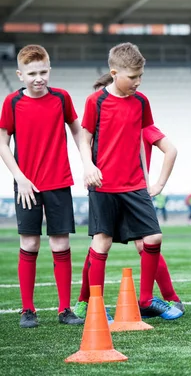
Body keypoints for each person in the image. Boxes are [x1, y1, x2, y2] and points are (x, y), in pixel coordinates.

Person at [76, 42, 182, 320]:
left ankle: (146, 299)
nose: (138, 82)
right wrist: (88, 166)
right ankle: (94, 307)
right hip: (104, 185)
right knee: (102, 243)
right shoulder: (95, 101)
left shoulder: (142, 102)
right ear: (114, 72)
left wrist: (156, 184)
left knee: (154, 237)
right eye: (133, 77)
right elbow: (84, 137)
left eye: (140, 76)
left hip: (135, 185)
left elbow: (156, 140)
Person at [0, 44, 84, 327]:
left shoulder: (62, 98)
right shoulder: (12, 103)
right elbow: (2, 142)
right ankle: (27, 310)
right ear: (20, 75)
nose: (39, 78)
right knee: (30, 243)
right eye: (32, 73)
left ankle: (64, 309)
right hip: (27, 185)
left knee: (60, 243)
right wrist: (20, 178)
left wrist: (88, 161)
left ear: (50, 70)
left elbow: (76, 128)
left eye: (43, 72)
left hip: (59, 180)